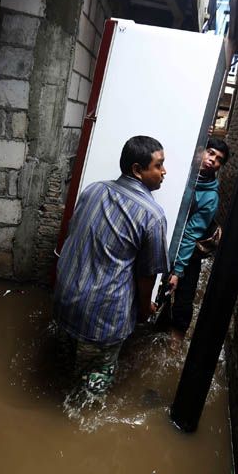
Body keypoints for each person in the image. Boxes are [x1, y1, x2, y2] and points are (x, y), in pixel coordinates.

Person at [54, 135, 169, 403]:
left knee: (62, 370)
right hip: (101, 320)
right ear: (137, 170)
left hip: (64, 302)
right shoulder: (152, 215)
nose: (164, 172)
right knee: (89, 394)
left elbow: (74, 235)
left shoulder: (93, 189)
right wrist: (144, 309)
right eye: (158, 165)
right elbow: (147, 275)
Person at [157, 137, 229, 347]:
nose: (212, 160)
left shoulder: (210, 197)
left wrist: (178, 270)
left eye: (219, 159)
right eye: (210, 152)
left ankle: (175, 345)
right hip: (165, 239)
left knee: (183, 302)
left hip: (189, 252)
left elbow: (191, 234)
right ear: (199, 151)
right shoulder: (179, 173)